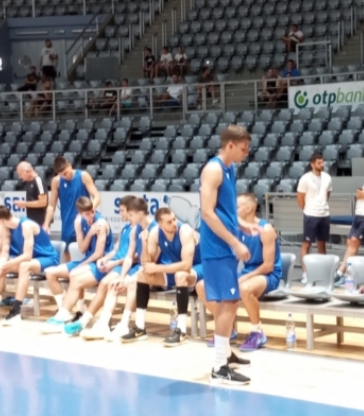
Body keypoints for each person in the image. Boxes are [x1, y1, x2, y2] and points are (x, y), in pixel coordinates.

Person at [197, 124, 254, 385]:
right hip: (217, 247)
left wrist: (240, 224)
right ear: (230, 145)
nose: (246, 153)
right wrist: (234, 241)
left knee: (229, 302)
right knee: (229, 302)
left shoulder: (229, 169)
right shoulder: (213, 169)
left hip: (225, 245)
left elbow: (224, 209)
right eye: (243, 148)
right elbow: (207, 213)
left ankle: (226, 354)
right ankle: (219, 367)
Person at [67, 197, 155, 340]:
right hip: (129, 266)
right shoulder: (131, 229)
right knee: (112, 284)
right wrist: (111, 265)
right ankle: (101, 323)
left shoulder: (153, 229)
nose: (124, 215)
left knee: (114, 283)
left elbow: (145, 259)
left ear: (137, 213)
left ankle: (122, 324)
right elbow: (124, 254)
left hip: (147, 268)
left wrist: (117, 267)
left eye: (125, 212)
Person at [121, 207, 203, 345]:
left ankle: (181, 330)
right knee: (142, 275)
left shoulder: (185, 231)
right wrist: (144, 242)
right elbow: (147, 263)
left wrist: (157, 268)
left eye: (174, 219)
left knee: (180, 275)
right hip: (176, 268)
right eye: (169, 222)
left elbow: (186, 265)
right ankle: (140, 327)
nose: (174, 223)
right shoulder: (155, 232)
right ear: (160, 224)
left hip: (199, 267)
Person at [0, 206, 60, 324]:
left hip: (47, 258)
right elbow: (4, 254)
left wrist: (4, 266)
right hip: (30, 260)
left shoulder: (26, 226)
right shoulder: (5, 227)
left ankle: (16, 310)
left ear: (0, 220)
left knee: (23, 266)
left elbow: (27, 256)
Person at [41, 196, 112, 326]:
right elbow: (82, 248)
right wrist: (89, 234)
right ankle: (64, 311)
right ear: (80, 213)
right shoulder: (78, 222)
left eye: (92, 211)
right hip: (88, 260)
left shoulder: (100, 224)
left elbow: (99, 254)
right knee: (50, 273)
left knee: (74, 274)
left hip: (102, 263)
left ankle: (69, 311)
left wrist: (82, 265)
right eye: (87, 214)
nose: (91, 215)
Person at [234, 193, 283, 351]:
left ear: (248, 209)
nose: (233, 210)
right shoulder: (239, 229)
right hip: (248, 272)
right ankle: (228, 330)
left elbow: (268, 266)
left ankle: (257, 332)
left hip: (269, 275)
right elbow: (235, 258)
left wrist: (244, 278)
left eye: (237, 207)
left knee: (245, 288)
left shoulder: (266, 229)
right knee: (213, 284)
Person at [43, 156, 100, 255]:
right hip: (67, 223)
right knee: (67, 252)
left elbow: (97, 197)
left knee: (88, 251)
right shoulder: (56, 181)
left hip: (85, 220)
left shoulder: (83, 176)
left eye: (66, 173)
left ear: (70, 166)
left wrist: (87, 211)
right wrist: (46, 224)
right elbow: (51, 206)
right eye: (61, 174)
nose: (65, 176)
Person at [297, 152, 332, 283]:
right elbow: (300, 198)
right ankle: (305, 273)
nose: (322, 164)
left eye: (322, 162)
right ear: (312, 164)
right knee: (307, 244)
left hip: (324, 214)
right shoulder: (305, 179)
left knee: (322, 244)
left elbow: (327, 194)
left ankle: (321, 272)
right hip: (310, 215)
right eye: (319, 163)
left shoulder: (327, 177)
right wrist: (308, 209)